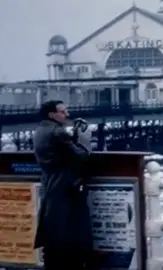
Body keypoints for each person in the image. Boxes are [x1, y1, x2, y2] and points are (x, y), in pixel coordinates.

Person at [33, 100, 93, 270]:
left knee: (53, 233)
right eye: (63, 111)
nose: (67, 114)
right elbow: (81, 156)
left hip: (50, 184)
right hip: (66, 186)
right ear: (52, 114)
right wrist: (84, 140)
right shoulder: (58, 132)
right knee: (71, 233)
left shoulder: (40, 130)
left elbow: (60, 154)